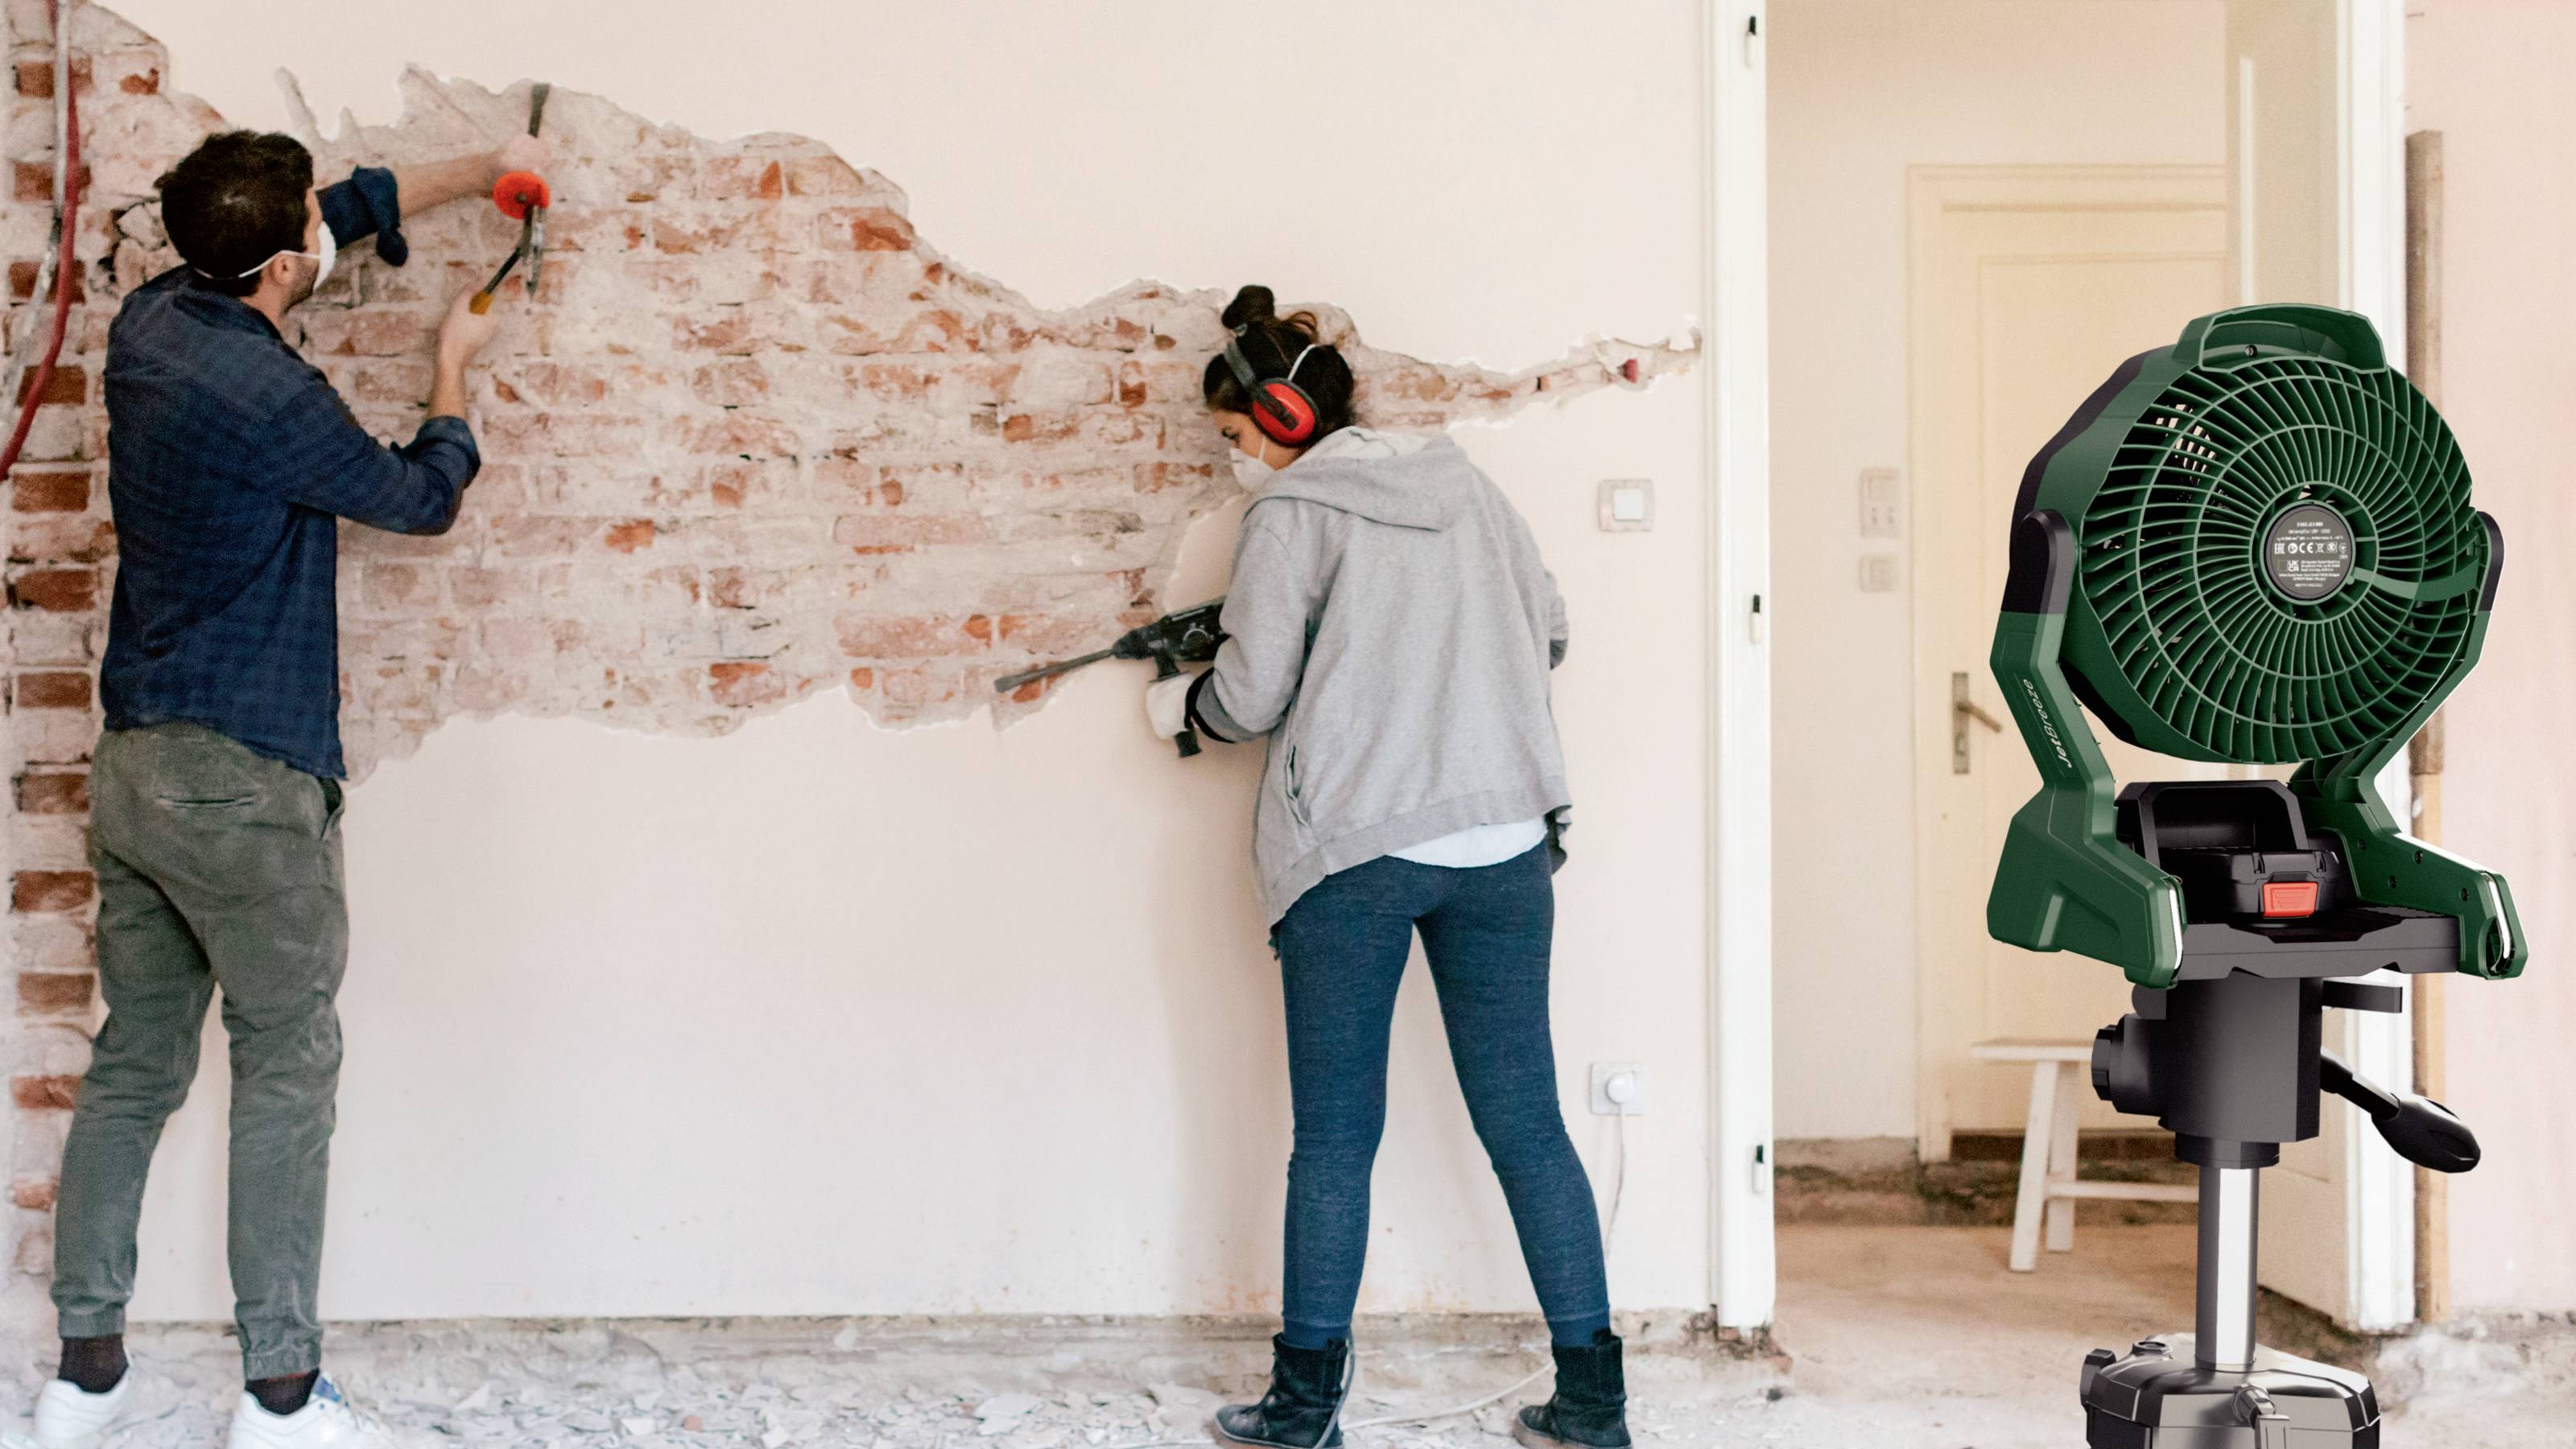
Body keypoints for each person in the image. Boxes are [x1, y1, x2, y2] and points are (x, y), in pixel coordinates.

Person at [15, 126, 543, 1449]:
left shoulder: (147, 326)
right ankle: (284, 1401)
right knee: (289, 1066)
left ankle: (81, 1384)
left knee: (135, 1061)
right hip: (245, 783)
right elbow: (421, 499)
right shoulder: (272, 404)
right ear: (281, 264)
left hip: (134, 768)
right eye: (310, 226)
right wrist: (452, 375)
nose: (327, 227)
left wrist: (478, 169)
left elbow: (331, 209)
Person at [1153, 287, 1625, 1449]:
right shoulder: (1472, 490)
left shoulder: (1288, 517)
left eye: (1234, 439)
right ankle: (1594, 1406)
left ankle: (1304, 1408)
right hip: (1505, 841)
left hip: (1357, 854)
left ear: (1279, 419)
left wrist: (1183, 707)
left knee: (1334, 1137)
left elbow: (1253, 696)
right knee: (1527, 1122)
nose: (1237, 463)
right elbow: (1551, 627)